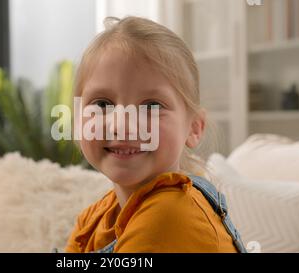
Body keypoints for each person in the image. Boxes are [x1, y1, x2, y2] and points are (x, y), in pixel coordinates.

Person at [64, 16, 246, 253]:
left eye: (151, 106)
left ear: (194, 128)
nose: (123, 125)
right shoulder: (94, 218)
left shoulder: (171, 217)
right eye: (102, 104)